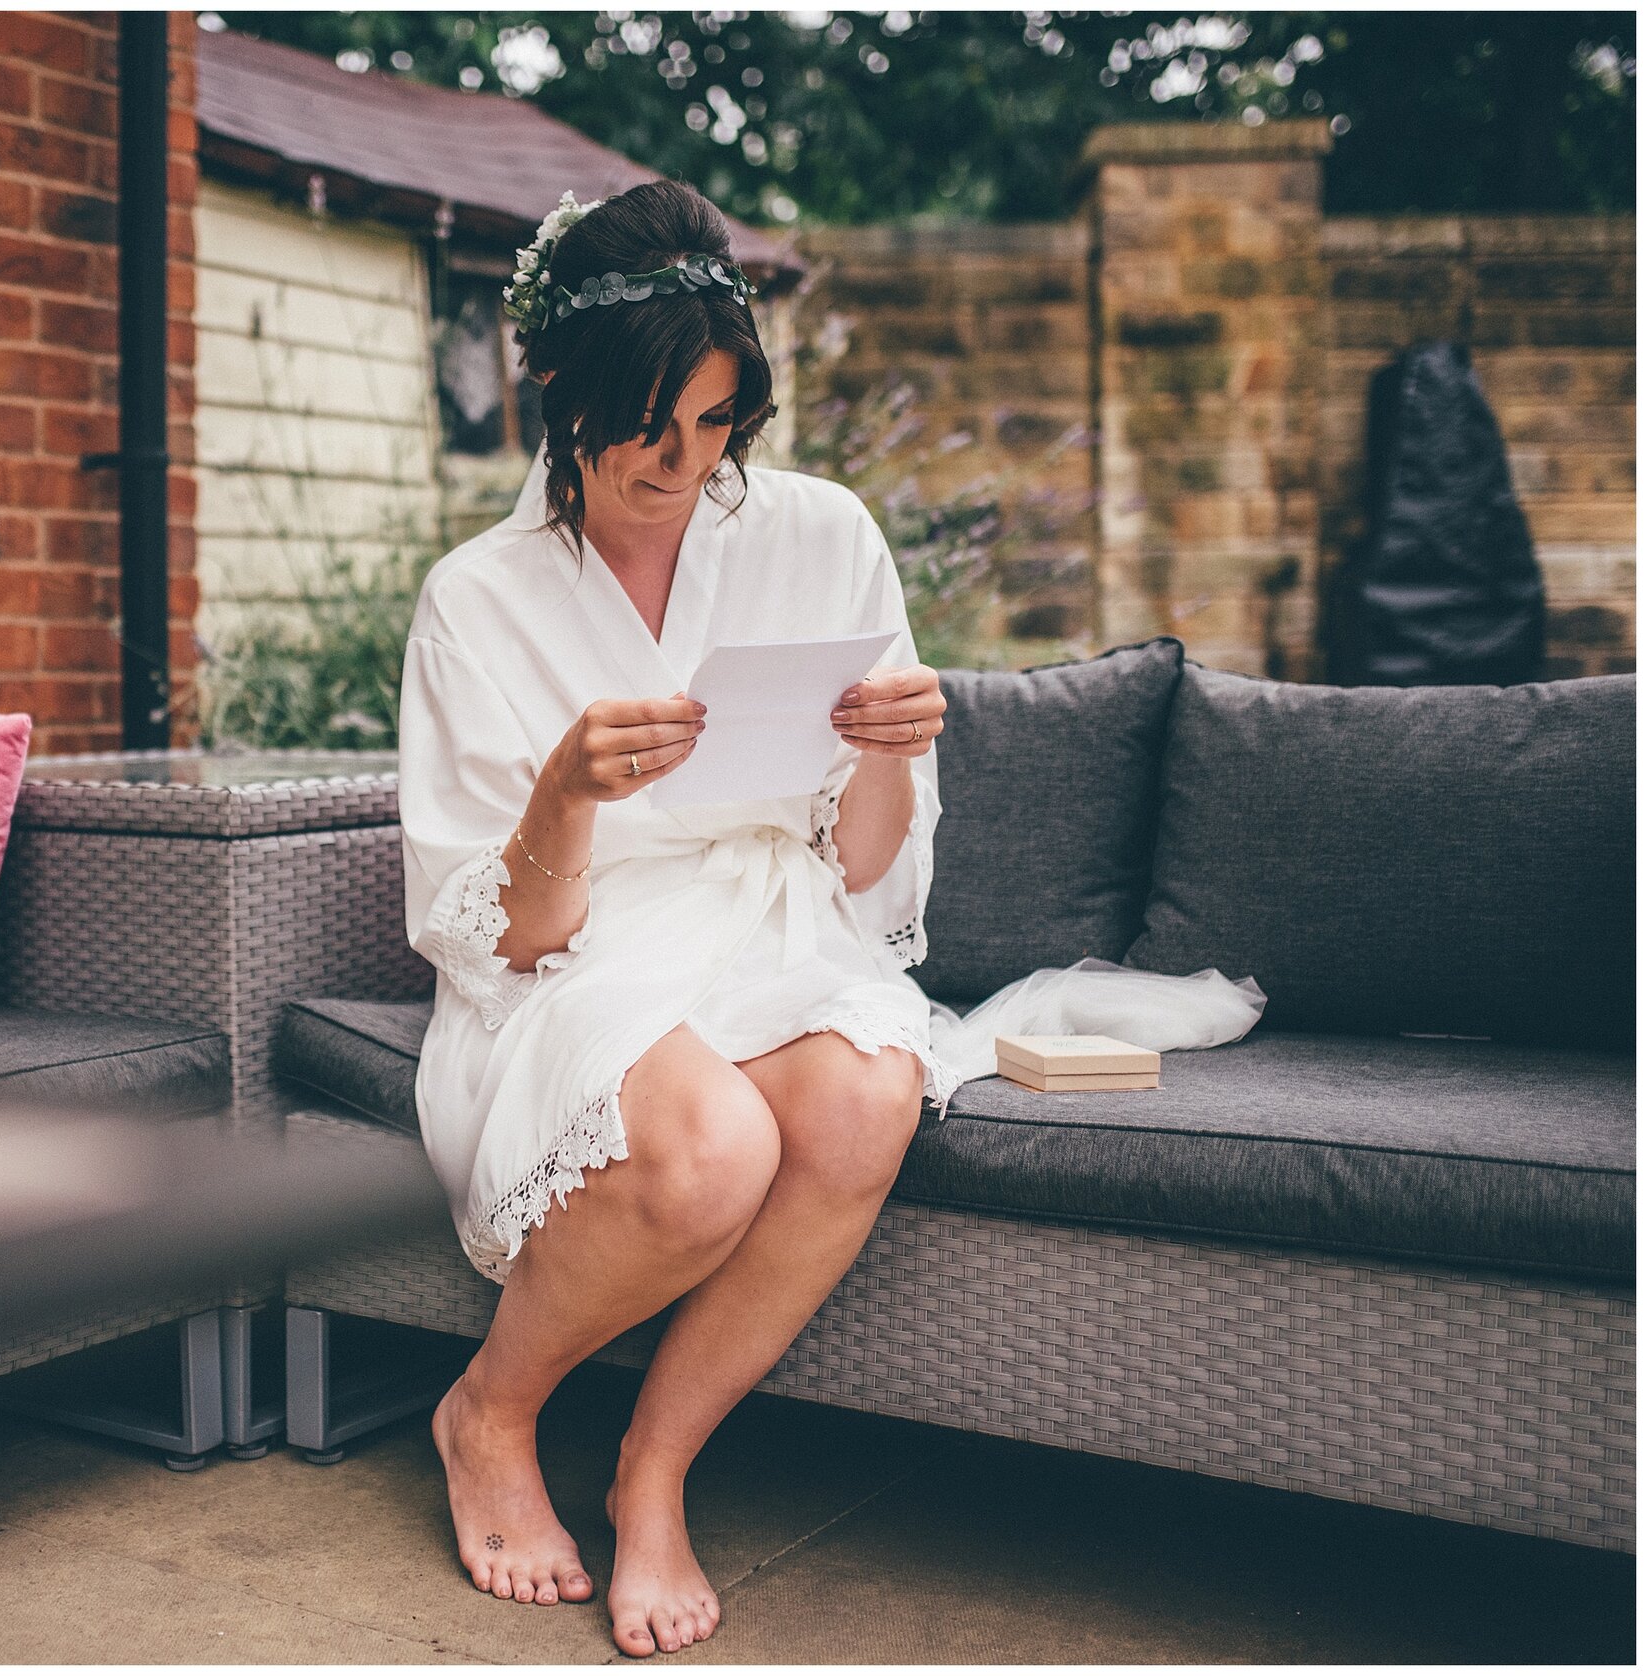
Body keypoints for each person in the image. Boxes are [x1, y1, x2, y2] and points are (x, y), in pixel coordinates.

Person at [397, 179, 956, 1659]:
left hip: (774, 927)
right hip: (577, 953)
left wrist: (896, 749)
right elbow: (502, 935)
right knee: (711, 1146)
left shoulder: (823, 534)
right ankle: (491, 1413)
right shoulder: (476, 600)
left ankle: (654, 1471)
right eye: (651, 420)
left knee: (864, 1093)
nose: (680, 462)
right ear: (561, 393)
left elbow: (859, 879)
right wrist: (563, 798)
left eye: (716, 424)